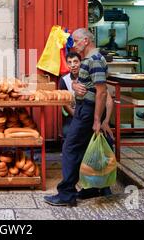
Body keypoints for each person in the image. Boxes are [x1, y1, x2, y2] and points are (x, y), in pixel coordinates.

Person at [44, 28, 112, 207]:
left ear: (86, 41)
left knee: (70, 148)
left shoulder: (95, 59)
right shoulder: (89, 61)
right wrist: (75, 85)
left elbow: (102, 92)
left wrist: (97, 120)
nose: (73, 44)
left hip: (88, 111)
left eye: (75, 40)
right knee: (83, 149)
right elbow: (87, 83)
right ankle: (92, 188)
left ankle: (66, 195)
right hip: (86, 109)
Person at [59, 52, 114, 140]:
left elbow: (108, 100)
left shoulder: (90, 76)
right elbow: (65, 104)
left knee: (106, 136)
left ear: (81, 63)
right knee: (68, 132)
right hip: (75, 115)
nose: (73, 65)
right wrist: (79, 118)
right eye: (69, 62)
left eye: (76, 62)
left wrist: (106, 121)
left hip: (93, 113)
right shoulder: (64, 80)